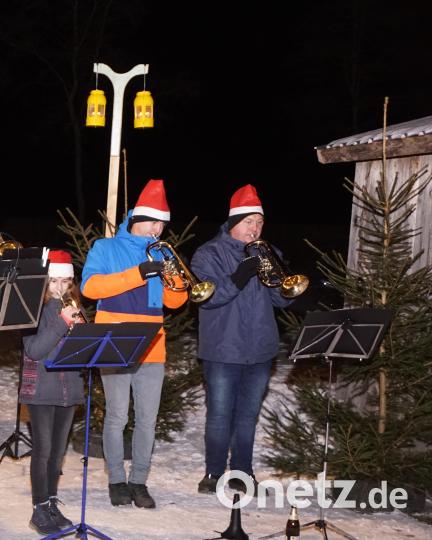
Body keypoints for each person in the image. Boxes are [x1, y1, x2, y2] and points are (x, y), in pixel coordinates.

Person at [80, 179, 188, 509]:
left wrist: (177, 282)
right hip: (114, 342)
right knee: (116, 417)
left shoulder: (160, 251)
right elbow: (90, 288)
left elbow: (173, 302)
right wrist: (139, 273)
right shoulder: (105, 247)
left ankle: (139, 481)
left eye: (162, 224)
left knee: (147, 419)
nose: (158, 230)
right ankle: (116, 479)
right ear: (138, 219)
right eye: (155, 223)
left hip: (152, 345)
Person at [191, 184, 291, 494]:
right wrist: (240, 274)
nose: (255, 228)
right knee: (220, 413)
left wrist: (280, 283)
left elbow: (282, 301)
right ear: (234, 222)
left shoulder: (268, 252)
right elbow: (207, 299)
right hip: (223, 348)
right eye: (249, 221)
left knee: (248, 415)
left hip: (260, 348)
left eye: (260, 222)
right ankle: (213, 472)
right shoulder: (207, 254)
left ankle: (242, 472)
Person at [20, 250, 84, 534]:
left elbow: (84, 351)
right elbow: (35, 349)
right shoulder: (32, 310)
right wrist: (63, 323)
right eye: (55, 281)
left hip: (68, 389)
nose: (61, 288)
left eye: (67, 282)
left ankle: (51, 502)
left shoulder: (74, 307)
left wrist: (82, 331)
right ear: (45, 282)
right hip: (41, 389)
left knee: (58, 452)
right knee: (43, 451)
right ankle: (38, 508)